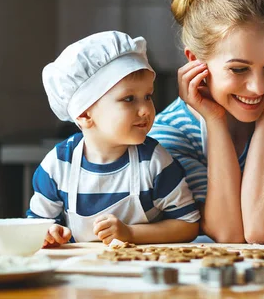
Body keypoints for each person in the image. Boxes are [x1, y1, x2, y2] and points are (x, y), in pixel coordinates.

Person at [148, 0, 264, 243]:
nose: (259, 87)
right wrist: (215, 122)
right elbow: (227, 235)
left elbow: (261, 229)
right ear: (195, 61)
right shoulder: (170, 134)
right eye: (239, 69)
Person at [27, 31, 200, 246]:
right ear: (84, 114)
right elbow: (37, 226)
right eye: (129, 99)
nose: (146, 109)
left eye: (148, 96)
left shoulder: (154, 161)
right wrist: (50, 233)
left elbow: (188, 224)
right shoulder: (58, 165)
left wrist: (131, 234)